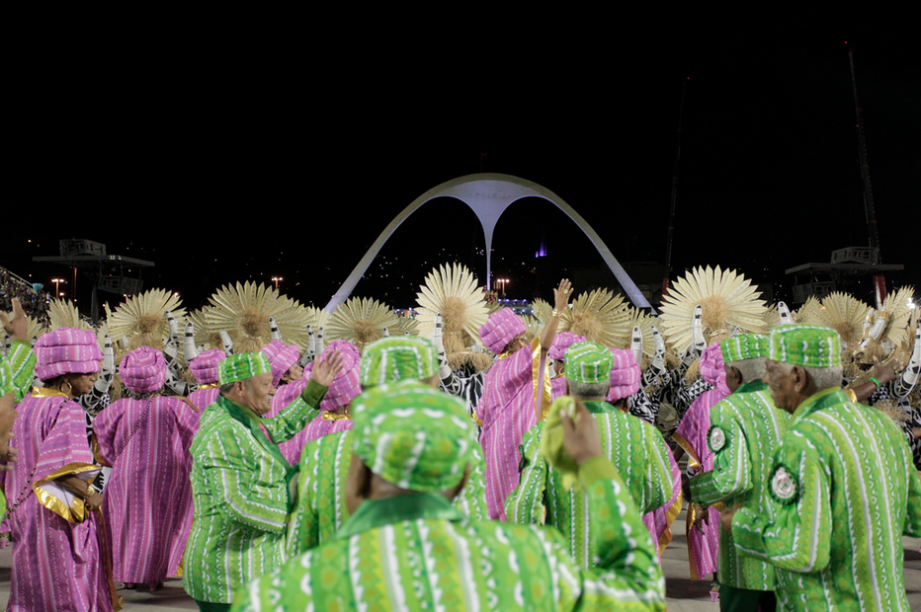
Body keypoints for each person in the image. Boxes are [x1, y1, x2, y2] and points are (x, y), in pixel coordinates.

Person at [232, 381, 666, 611]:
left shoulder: (281, 595)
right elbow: (642, 593)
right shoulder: (530, 566)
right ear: (461, 479)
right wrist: (594, 467)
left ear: (357, 472)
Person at [724, 324, 921, 611]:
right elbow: (915, 519)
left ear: (798, 377)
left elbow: (802, 552)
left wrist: (741, 525)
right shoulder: (884, 426)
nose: (765, 379)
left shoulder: (803, 441)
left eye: (771, 369)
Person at [287, 335, 488, 557]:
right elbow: (475, 540)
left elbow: (299, 549)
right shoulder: (459, 448)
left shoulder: (320, 454)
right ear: (432, 383)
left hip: (344, 585)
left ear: (364, 386)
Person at [182, 349, 343, 611]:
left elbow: (278, 427)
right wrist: (294, 517)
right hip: (228, 576)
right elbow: (235, 505)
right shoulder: (223, 431)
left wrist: (316, 389)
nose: (273, 391)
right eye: (266, 384)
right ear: (240, 387)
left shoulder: (242, 419)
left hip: (248, 569)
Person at [506, 341, 673, 568]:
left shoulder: (543, 435)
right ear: (606, 389)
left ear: (566, 389)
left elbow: (523, 507)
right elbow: (661, 492)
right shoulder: (644, 434)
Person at [3, 327, 119, 611]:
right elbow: (65, 469)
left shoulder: (23, 405)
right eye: (88, 371)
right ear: (67, 375)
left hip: (23, 512)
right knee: (66, 585)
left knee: (32, 585)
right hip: (54, 515)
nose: (95, 376)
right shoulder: (68, 410)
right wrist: (90, 495)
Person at [689, 334, 788, 610]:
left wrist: (697, 493)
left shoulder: (730, 409)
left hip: (746, 544)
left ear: (734, 373)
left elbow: (733, 478)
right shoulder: (791, 405)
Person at [92, 345, 200, 591]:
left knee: (126, 525)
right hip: (167, 476)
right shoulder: (174, 407)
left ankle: (128, 576)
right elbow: (195, 439)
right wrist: (188, 466)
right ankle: (153, 577)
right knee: (157, 526)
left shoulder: (116, 409)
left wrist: (117, 461)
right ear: (160, 375)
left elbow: (102, 443)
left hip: (125, 476)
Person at [477, 278, 571, 520]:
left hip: (492, 453)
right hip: (513, 450)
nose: (527, 341)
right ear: (514, 341)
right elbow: (545, 345)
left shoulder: (493, 372)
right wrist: (558, 310)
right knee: (519, 512)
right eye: (523, 338)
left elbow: (480, 418)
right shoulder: (515, 363)